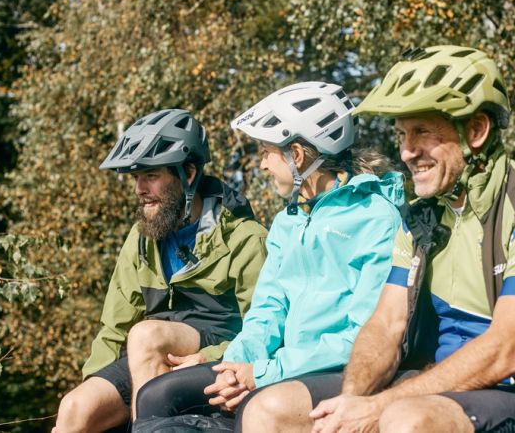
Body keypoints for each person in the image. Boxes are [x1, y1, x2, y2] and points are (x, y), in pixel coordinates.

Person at [242, 46, 515, 433]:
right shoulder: (420, 217)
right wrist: (352, 400)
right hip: (432, 386)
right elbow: (386, 324)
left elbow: (506, 351)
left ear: (476, 131)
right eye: (401, 135)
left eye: (422, 133)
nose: (408, 152)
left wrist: (380, 405)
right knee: (272, 409)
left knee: (406, 420)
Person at [132, 82, 405, 432]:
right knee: (157, 396)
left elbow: (362, 335)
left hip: (341, 369)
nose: (261, 165)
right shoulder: (288, 221)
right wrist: (234, 365)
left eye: (266, 152)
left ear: (297, 154)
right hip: (281, 366)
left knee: (258, 407)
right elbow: (267, 312)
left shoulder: (376, 218)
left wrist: (262, 373)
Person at [52, 109, 268, 432]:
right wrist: (94, 383)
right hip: (149, 357)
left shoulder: (245, 238)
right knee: (75, 410)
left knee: (146, 335)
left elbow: (267, 331)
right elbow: (113, 329)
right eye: (136, 177)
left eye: (151, 176)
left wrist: (209, 355)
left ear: (189, 173)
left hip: (215, 359)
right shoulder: (141, 239)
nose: (140, 189)